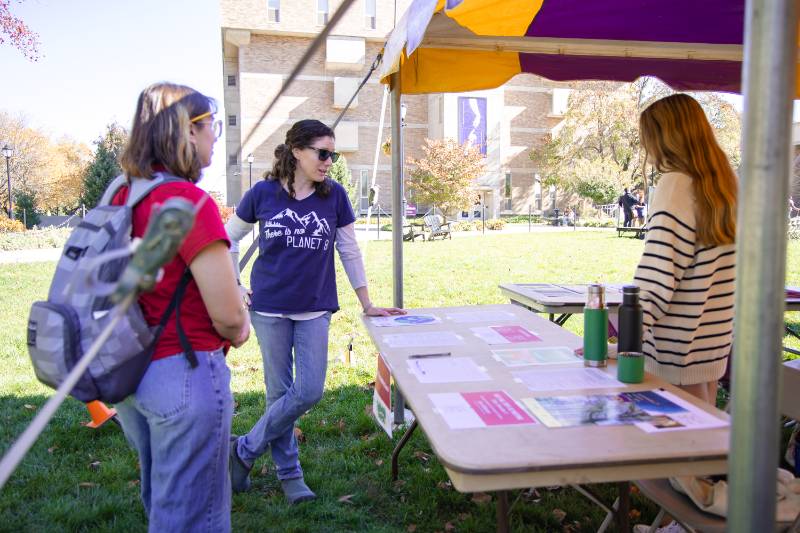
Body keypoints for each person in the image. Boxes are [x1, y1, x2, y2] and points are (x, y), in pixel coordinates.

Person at [226, 119, 405, 503]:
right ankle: (290, 476)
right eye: (322, 153)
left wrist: (367, 302)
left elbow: (349, 250)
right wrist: (236, 285)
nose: (328, 161)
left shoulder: (334, 196)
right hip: (269, 308)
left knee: (308, 390)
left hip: (314, 308)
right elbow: (228, 239)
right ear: (296, 151)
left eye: (332, 154)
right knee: (278, 394)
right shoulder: (262, 194)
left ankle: (242, 451)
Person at [112, 83, 250, 532]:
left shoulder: (121, 194)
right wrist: (242, 324)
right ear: (188, 132)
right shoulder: (189, 203)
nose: (215, 137)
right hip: (184, 375)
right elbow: (228, 317)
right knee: (194, 518)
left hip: (129, 372)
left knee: (164, 503)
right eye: (210, 126)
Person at [634, 93, 737, 405]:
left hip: (671, 353)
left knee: (672, 451)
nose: (646, 150)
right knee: (703, 444)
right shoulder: (726, 186)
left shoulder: (676, 184)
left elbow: (658, 275)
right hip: (711, 346)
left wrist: (625, 341)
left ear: (663, 138)